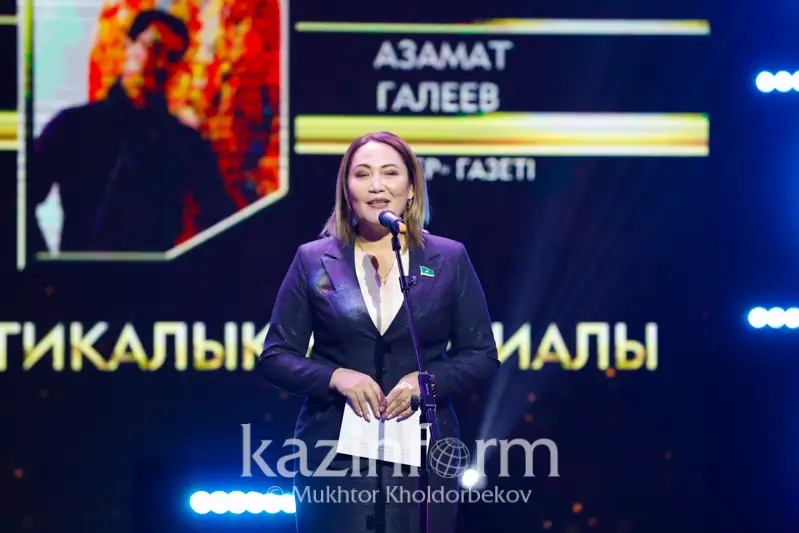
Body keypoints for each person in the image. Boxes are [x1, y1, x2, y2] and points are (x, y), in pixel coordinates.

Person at [257, 131, 499, 533]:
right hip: (333, 456)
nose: (376, 186)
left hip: (423, 456)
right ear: (346, 189)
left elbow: (481, 355)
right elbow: (276, 356)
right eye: (362, 174)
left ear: (411, 187)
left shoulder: (448, 258)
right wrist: (336, 377)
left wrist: (428, 382)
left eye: (390, 173)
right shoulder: (314, 260)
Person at [30, 9, 236, 254]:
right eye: (154, 48)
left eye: (172, 57)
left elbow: (223, 223)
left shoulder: (185, 144)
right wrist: (41, 266)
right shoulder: (73, 126)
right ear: (127, 46)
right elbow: (16, 197)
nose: (161, 64)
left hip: (153, 276)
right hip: (80, 273)